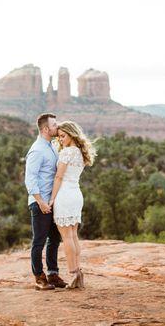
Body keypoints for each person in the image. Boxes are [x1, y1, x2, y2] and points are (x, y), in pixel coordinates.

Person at [49, 121, 96, 289]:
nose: (60, 139)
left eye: (63, 136)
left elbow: (58, 178)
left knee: (67, 237)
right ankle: (79, 273)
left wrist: (52, 199)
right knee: (73, 235)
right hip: (76, 194)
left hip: (65, 195)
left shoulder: (67, 153)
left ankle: (73, 273)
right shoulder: (81, 153)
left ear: (72, 134)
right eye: (59, 136)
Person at [25, 113, 68, 290]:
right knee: (39, 241)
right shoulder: (37, 150)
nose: (57, 127)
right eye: (54, 125)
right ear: (45, 129)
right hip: (40, 202)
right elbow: (30, 179)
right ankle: (39, 277)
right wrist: (40, 201)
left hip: (52, 201)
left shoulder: (51, 146)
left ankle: (53, 273)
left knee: (54, 239)